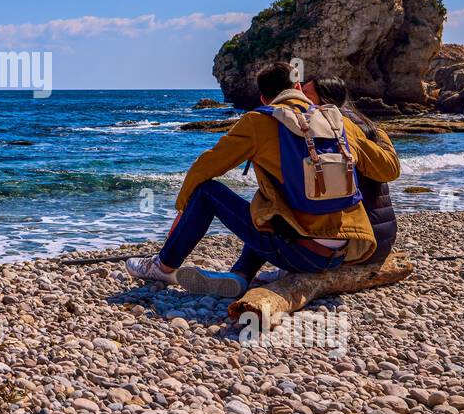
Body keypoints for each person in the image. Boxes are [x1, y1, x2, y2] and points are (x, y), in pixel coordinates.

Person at [126, 61, 401, 297]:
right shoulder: (338, 121)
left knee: (207, 192)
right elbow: (387, 170)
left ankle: (162, 267)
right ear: (296, 88)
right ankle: (240, 275)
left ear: (263, 98)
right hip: (347, 250)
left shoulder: (259, 122)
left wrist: (184, 208)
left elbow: (204, 168)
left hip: (299, 253)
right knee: (267, 206)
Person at [302, 76, 397, 265]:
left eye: (306, 93)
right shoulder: (371, 127)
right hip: (384, 240)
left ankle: (244, 272)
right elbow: (391, 170)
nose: (300, 97)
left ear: (324, 99)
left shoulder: (334, 130)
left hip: (360, 245)